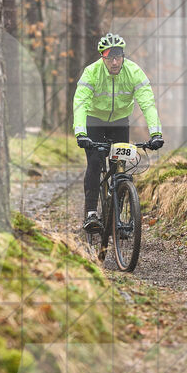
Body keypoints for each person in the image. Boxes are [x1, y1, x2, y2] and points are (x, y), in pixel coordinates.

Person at [73, 33, 164, 232]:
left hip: (120, 123)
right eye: (109, 57)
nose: (115, 62)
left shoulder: (134, 72)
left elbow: (147, 103)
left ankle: (118, 218)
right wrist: (81, 133)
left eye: (118, 56)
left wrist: (156, 133)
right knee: (96, 162)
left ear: (123, 56)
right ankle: (91, 214)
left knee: (120, 168)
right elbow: (80, 103)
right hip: (94, 122)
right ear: (102, 57)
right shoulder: (91, 73)